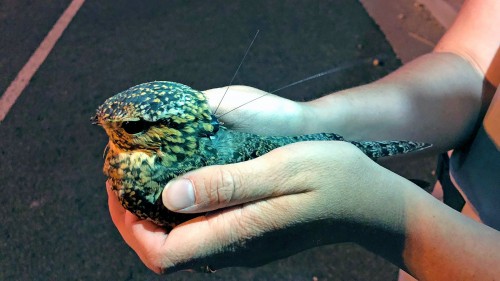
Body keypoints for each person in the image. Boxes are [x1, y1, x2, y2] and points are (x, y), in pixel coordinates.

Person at [107, 0, 500, 279]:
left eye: (132, 129)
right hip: (452, 196)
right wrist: (306, 118)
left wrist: (394, 219)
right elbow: (473, 62)